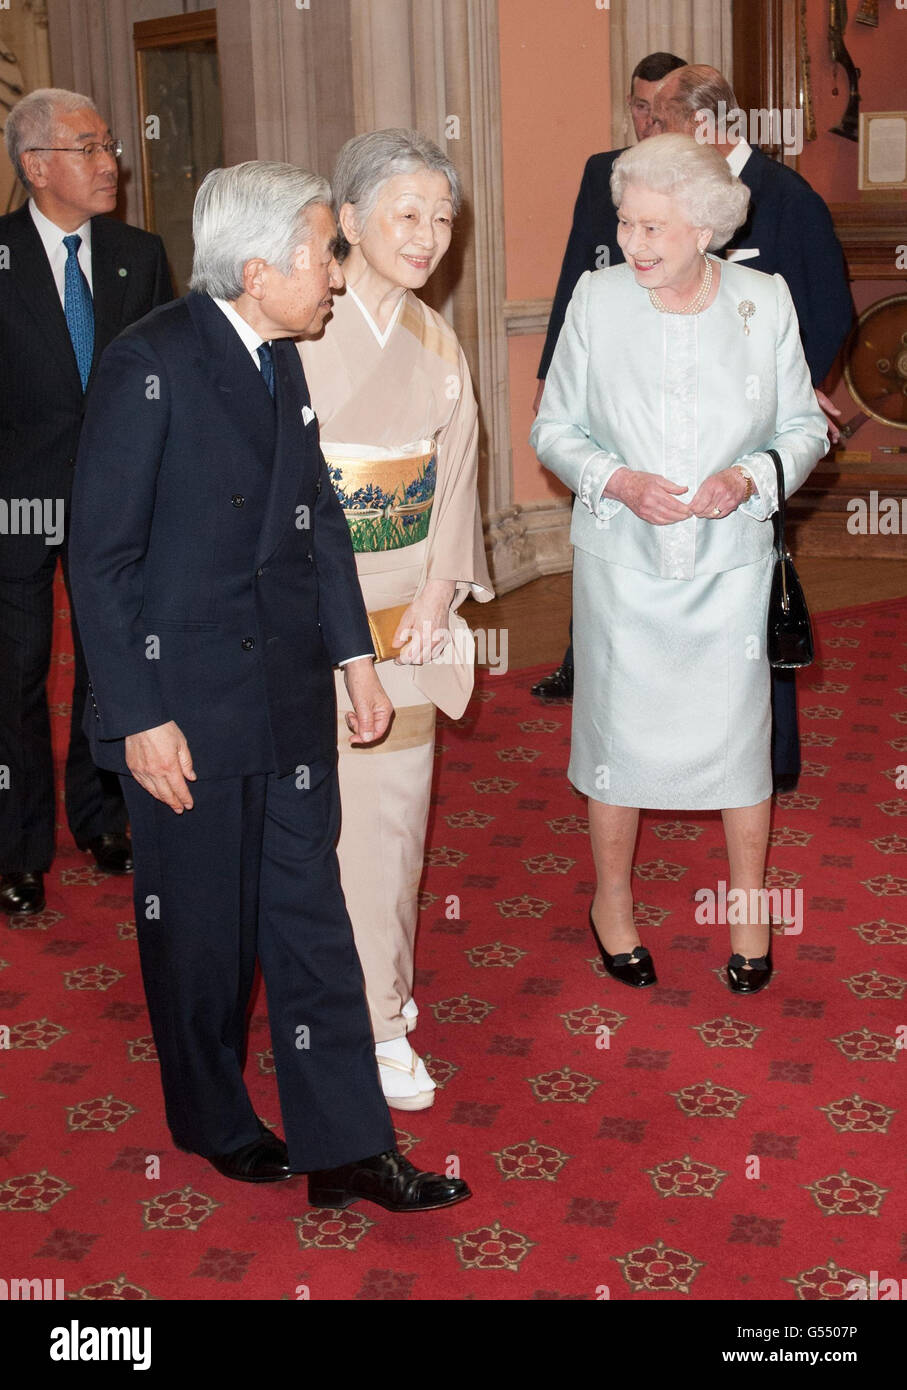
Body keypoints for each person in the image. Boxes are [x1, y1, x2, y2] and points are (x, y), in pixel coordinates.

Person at [68, 160, 470, 1213]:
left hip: (291, 698)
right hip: (184, 712)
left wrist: (354, 658)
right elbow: (97, 560)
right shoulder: (144, 364)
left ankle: (346, 1143)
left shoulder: (283, 359)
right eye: (323, 254)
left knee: (310, 921)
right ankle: (208, 1114)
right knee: (199, 930)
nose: (338, 275)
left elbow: (319, 524)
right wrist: (138, 718)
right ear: (257, 270)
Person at [530, 134, 828, 996]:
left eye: (654, 228)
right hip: (622, 563)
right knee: (617, 743)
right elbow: (553, 429)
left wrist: (750, 478)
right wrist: (615, 479)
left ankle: (748, 910)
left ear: (704, 228)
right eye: (626, 224)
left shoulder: (762, 301)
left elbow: (802, 430)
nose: (635, 245)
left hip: (730, 564)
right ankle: (612, 904)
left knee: (738, 747)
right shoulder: (596, 298)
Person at [299, 130, 493, 1111]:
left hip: (405, 623)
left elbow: (454, 483)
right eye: (406, 215)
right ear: (348, 221)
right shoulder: (298, 328)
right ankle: (358, 1010)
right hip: (309, 623)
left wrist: (433, 597)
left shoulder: (438, 342)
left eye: (442, 218)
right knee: (323, 827)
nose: (427, 237)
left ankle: (382, 1004)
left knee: (395, 825)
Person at [652, 64, 855, 791]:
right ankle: (697, 745)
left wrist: (782, 401)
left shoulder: (786, 198)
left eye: (663, 125)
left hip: (758, 444)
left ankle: (770, 760)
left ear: (701, 125)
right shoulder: (687, 204)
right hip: (688, 434)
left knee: (759, 592)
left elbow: (829, 313)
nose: (655, 142)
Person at [0, 88, 173, 916]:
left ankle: (102, 815)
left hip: (114, 499)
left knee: (109, 662)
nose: (112, 163)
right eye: (90, 148)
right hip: (13, 505)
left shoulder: (140, 254)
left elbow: (161, 386)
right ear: (37, 167)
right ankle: (16, 845)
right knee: (15, 673)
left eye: (109, 145)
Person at [531, 51, 686, 705]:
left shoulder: (702, 183)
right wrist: (549, 372)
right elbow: (576, 275)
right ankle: (583, 657)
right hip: (604, 381)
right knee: (597, 514)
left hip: (677, 385)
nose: (648, 120)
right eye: (638, 105)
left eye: (660, 106)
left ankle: (674, 663)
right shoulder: (603, 172)